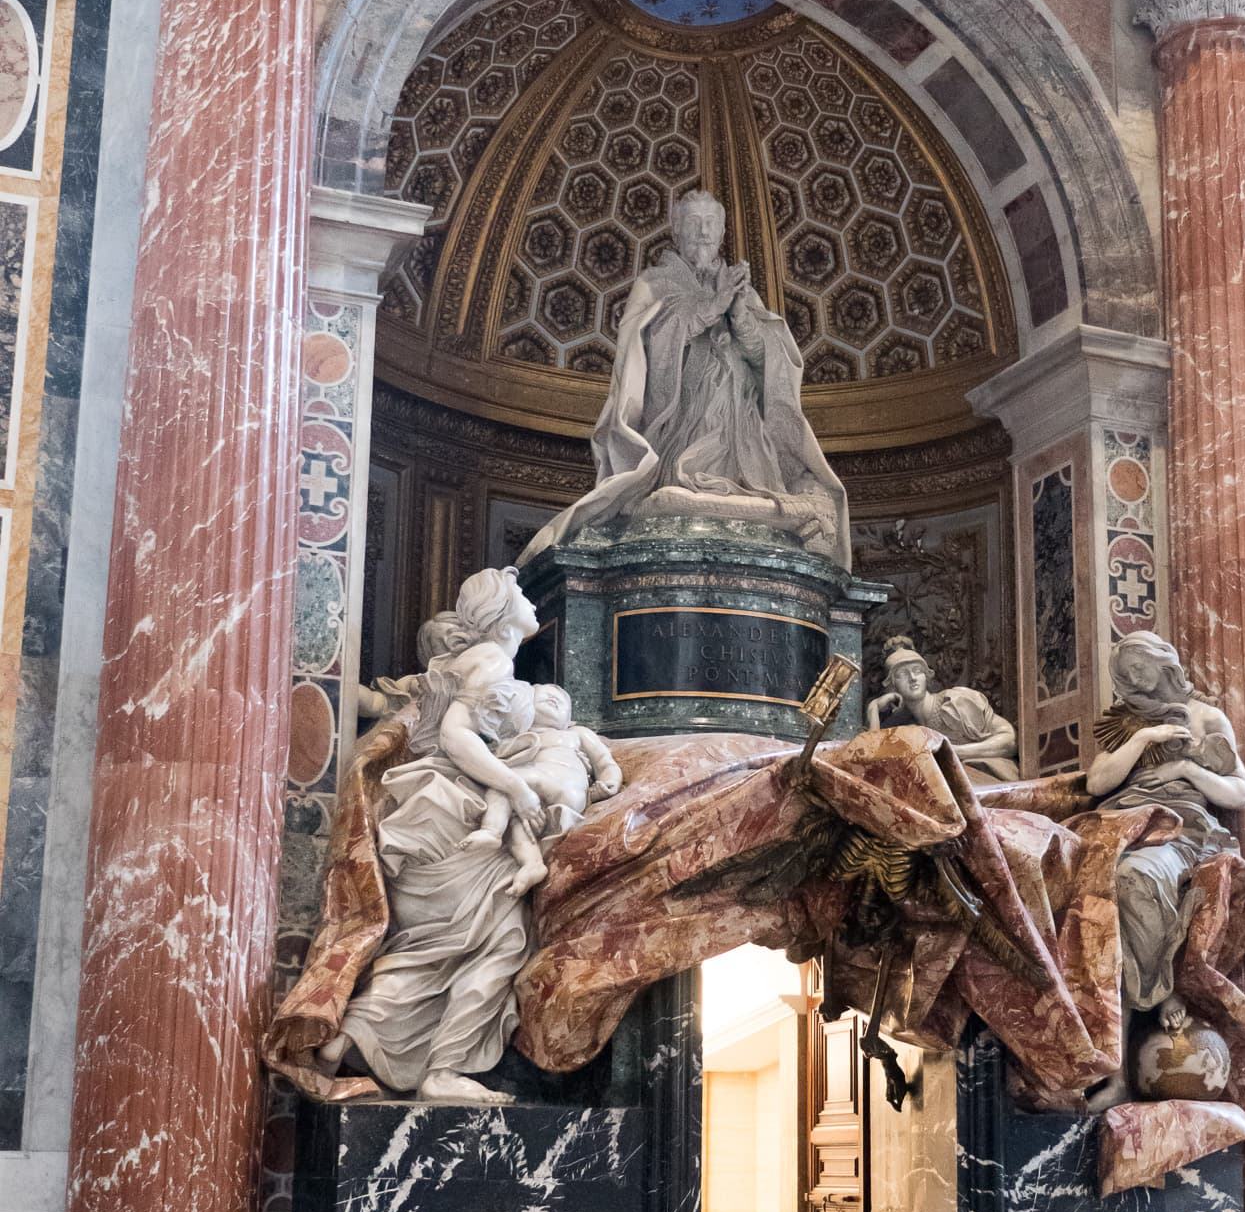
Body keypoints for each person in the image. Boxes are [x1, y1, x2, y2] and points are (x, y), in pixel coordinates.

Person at [518, 190, 851, 567]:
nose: (704, 232)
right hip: (682, 421)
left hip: (740, 425)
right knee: (673, 493)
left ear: (724, 232)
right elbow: (644, 354)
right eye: (693, 223)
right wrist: (712, 307)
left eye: (712, 223)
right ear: (676, 231)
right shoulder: (654, 284)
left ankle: (751, 499)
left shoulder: (742, 289)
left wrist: (741, 316)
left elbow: (770, 368)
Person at [318, 568, 546, 1107]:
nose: (531, 603)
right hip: (458, 811)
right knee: (502, 940)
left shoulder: (467, 662)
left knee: (432, 948)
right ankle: (443, 1070)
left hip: (431, 807)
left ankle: (349, 1034)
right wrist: (518, 787)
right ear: (498, 612)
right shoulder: (492, 658)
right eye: (520, 595)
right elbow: (455, 735)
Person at [1083, 631, 1245, 1110]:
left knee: (1134, 877)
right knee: (1086, 915)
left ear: (1164, 664)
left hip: (1177, 832)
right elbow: (1098, 781)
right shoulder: (1124, 724)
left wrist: (1186, 773)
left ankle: (1160, 998)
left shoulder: (1205, 717)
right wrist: (1144, 738)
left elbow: (1239, 793)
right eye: (1127, 671)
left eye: (1142, 666)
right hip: (1120, 826)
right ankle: (1111, 1071)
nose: (1136, 677)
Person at [469, 683, 623, 895]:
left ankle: (491, 831)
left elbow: (605, 762)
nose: (554, 696)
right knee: (518, 825)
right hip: (536, 797)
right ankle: (532, 863)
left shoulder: (575, 734)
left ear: (569, 721)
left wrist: (609, 783)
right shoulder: (516, 738)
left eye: (561, 700)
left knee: (506, 784)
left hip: (565, 786)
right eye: (545, 694)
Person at [865, 634, 1020, 782]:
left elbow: (1010, 740)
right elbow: (874, 761)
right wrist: (873, 709)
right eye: (902, 674)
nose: (912, 678)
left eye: (917, 671)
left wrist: (953, 752)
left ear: (927, 676)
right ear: (892, 685)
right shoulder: (908, 726)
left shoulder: (955, 702)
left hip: (993, 779)